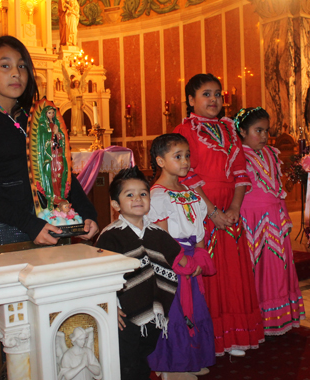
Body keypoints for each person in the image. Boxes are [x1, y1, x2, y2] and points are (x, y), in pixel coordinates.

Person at [0, 36, 98, 248]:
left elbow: (59, 171)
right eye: (5, 65)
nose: (16, 73)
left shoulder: (34, 116)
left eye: (22, 65)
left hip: (47, 221)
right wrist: (29, 224)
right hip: (0, 227)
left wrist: (87, 213)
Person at [173, 73, 264, 357]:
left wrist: (235, 208)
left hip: (229, 210)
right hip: (200, 207)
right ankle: (212, 337)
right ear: (190, 100)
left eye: (217, 94)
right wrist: (212, 212)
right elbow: (187, 173)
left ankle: (235, 335)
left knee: (233, 272)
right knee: (208, 272)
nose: (214, 100)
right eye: (206, 94)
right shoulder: (184, 130)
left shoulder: (228, 128)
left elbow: (240, 171)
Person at [95, 166, 184, 380]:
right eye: (130, 195)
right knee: (126, 360)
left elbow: (173, 261)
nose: (138, 198)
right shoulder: (111, 236)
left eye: (143, 194)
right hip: (123, 312)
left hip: (154, 310)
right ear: (116, 204)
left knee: (143, 354)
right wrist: (108, 306)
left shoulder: (157, 233)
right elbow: (100, 276)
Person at [147, 134, 216, 380]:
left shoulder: (189, 191)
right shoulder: (158, 195)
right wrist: (182, 261)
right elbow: (162, 238)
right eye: (178, 156)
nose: (185, 161)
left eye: (187, 155)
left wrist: (199, 253)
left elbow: (198, 227)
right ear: (160, 161)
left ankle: (190, 358)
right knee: (174, 311)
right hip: (172, 261)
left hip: (190, 257)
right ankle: (170, 365)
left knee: (194, 309)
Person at [234, 107, 306, 336]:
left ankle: (279, 317)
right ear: (243, 131)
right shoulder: (238, 156)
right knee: (257, 267)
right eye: (258, 130)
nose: (264, 136)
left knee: (277, 265)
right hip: (251, 220)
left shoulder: (272, 153)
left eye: (266, 130)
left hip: (274, 218)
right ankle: (257, 317)